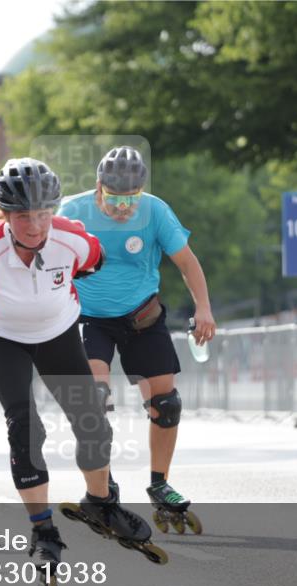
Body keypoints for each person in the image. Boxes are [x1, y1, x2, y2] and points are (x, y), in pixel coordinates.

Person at [0, 157, 160, 586]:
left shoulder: (71, 239)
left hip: (57, 333)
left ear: (54, 210)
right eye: (22, 216)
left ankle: (99, 503)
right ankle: (43, 532)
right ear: (4, 215)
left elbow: (93, 261)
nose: (34, 226)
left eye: (42, 214)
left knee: (92, 419)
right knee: (25, 423)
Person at [57, 146, 216, 531]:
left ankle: (160, 485)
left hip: (142, 315)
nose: (123, 208)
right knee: (93, 404)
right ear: (98, 188)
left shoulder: (155, 211)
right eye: (114, 199)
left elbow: (187, 262)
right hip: (88, 319)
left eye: (131, 199)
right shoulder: (73, 213)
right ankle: (102, 487)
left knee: (166, 403)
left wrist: (204, 309)